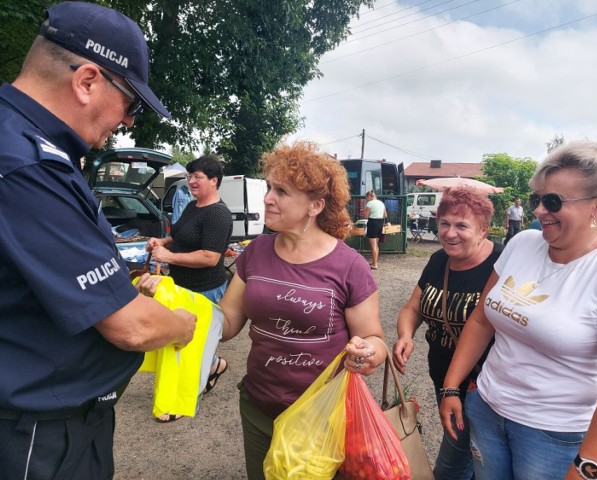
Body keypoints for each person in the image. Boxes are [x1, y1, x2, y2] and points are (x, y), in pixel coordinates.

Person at [0, 2, 197, 478]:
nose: (128, 122)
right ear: (87, 81)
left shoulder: (23, 145)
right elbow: (132, 328)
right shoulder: (27, 166)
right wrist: (180, 325)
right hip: (37, 436)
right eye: (131, 103)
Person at [440, 139, 597, 480]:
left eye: (552, 202)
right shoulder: (522, 244)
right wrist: (451, 386)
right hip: (487, 410)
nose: (537, 211)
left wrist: (587, 468)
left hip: (554, 434)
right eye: (537, 199)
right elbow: (481, 320)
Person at [218, 142, 387, 480]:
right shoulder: (256, 252)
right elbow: (227, 322)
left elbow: (373, 338)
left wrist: (369, 352)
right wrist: (176, 306)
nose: (267, 198)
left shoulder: (349, 266)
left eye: (281, 191)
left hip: (321, 415)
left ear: (315, 205)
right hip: (258, 407)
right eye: (268, 187)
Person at [393, 187, 503, 480]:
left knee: (452, 467)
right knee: (470, 459)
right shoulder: (439, 260)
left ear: (483, 229)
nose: (450, 233)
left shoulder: (502, 264)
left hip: (482, 388)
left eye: (461, 226)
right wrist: (406, 336)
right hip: (442, 379)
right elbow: (412, 308)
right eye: (444, 224)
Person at [146, 154, 233, 421]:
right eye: (190, 176)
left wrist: (168, 257)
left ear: (214, 181)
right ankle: (215, 365)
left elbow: (210, 257)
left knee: (191, 350)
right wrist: (162, 241)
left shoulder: (218, 214)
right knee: (182, 343)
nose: (191, 181)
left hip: (204, 289)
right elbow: (181, 235)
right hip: (180, 286)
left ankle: (182, 403)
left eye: (198, 177)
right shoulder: (193, 206)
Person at [364, 190, 388, 269]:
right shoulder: (381, 203)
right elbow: (385, 215)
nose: (367, 199)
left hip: (372, 223)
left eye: (367, 198)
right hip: (380, 223)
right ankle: (375, 262)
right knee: (376, 244)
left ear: (370, 196)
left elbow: (366, 216)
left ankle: (375, 264)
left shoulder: (370, 203)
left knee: (373, 245)